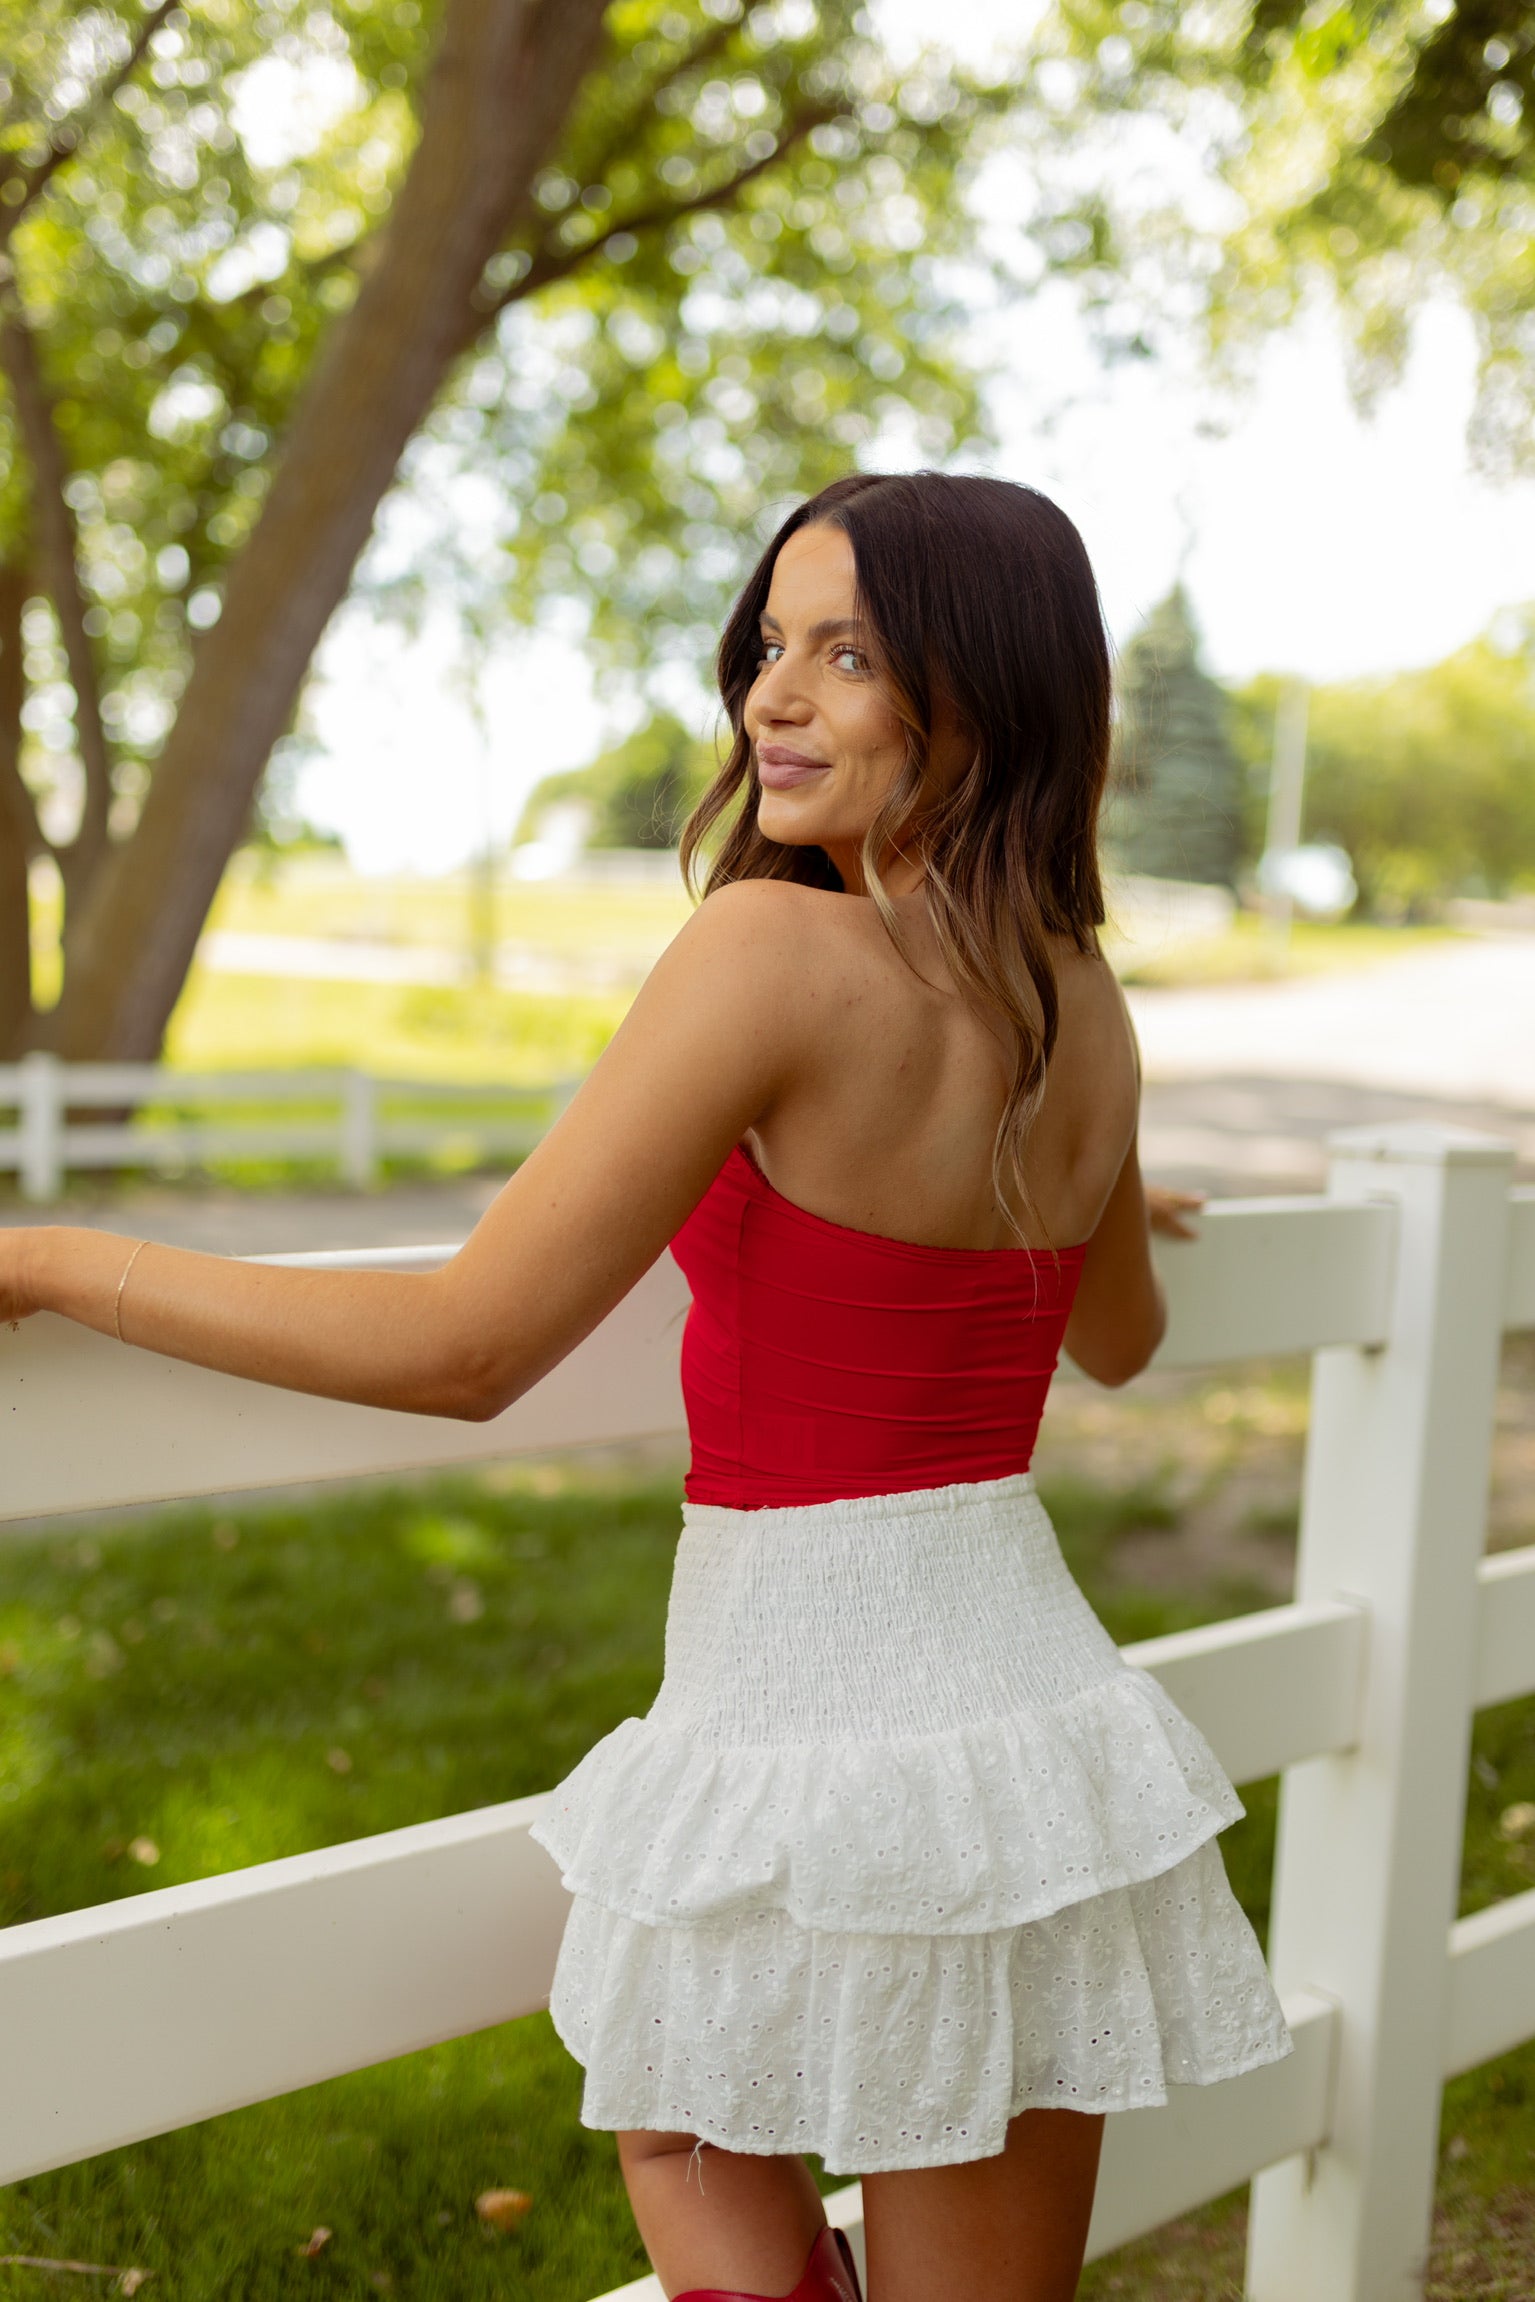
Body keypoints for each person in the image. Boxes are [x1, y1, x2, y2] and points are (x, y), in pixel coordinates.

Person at [0, 471, 1290, 2302]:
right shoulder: (1080, 999)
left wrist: (52, 1258)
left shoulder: (770, 949)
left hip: (802, 1685)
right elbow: (1121, 1335)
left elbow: (465, 1347)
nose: (774, 694)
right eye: (772, 643)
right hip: (1025, 1723)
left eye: (847, 653)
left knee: (684, 2130)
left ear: (987, 689)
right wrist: (1094, 1189)